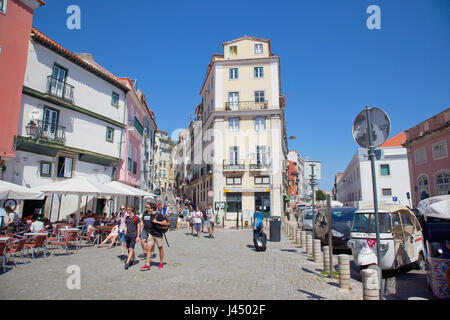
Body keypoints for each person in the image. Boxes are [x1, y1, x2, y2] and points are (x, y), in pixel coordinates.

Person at [141, 203, 170, 271]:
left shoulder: (158, 215)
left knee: (160, 248)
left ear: (152, 208)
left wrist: (156, 222)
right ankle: (147, 264)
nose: (147, 209)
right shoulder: (148, 214)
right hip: (151, 234)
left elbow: (165, 223)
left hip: (158, 234)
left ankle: (161, 262)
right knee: (148, 248)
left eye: (148, 208)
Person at [124, 206, 141, 270]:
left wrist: (138, 236)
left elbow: (139, 227)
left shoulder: (136, 218)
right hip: (127, 235)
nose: (127, 211)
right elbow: (125, 225)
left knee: (130, 249)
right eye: (127, 210)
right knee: (129, 249)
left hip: (133, 235)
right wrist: (125, 232)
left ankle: (127, 262)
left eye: (128, 210)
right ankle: (134, 259)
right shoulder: (127, 218)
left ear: (132, 210)